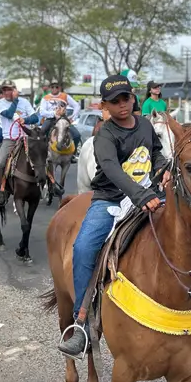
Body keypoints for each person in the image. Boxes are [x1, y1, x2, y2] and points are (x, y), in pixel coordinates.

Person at [58, 73, 169, 357]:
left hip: (150, 193)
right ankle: (81, 322)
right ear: (105, 106)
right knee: (83, 248)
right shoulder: (105, 135)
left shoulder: (145, 125)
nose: (122, 105)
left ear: (133, 98)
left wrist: (163, 168)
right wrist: (141, 195)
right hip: (111, 199)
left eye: (126, 98)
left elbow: (156, 153)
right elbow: (112, 169)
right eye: (114, 101)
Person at [0, 80, 39, 205]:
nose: (6, 92)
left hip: (26, 137)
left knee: (44, 157)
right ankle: (2, 190)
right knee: (0, 162)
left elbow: (35, 118)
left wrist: (25, 120)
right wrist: (15, 100)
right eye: (4, 90)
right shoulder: (0, 104)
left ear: (15, 90)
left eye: (9, 89)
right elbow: (9, 114)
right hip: (10, 139)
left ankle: (50, 185)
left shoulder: (25, 102)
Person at [39, 82, 82, 147]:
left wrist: (73, 117)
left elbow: (77, 106)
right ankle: (43, 150)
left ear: (59, 88)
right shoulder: (45, 98)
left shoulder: (65, 96)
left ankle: (74, 151)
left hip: (63, 118)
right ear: (50, 88)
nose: (54, 88)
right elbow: (42, 112)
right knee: (41, 132)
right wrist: (54, 113)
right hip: (50, 119)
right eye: (52, 87)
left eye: (56, 87)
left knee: (77, 135)